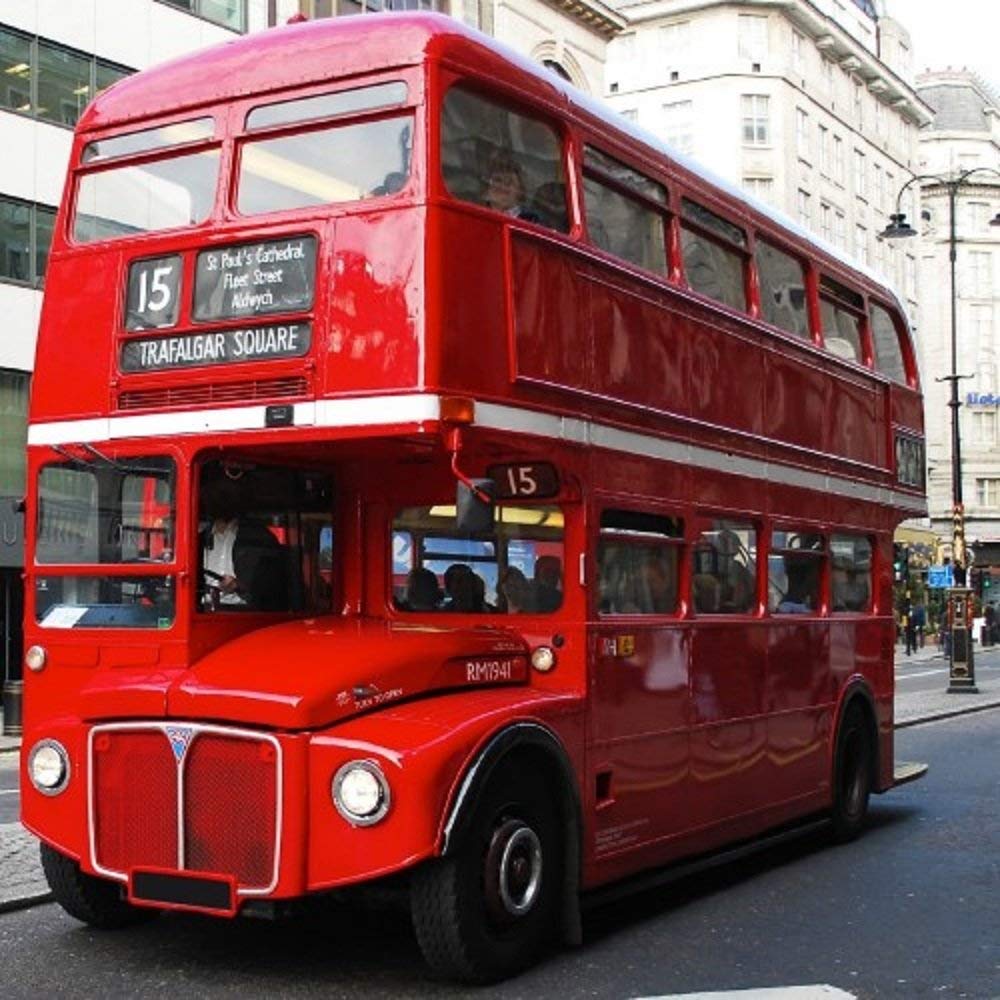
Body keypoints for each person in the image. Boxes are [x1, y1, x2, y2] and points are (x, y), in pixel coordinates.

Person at [201, 474, 287, 612]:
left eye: (223, 495)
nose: (215, 501)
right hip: (202, 609)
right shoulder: (199, 537)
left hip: (243, 611)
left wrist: (239, 585)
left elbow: (274, 583)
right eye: (211, 496)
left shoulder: (259, 536)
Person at [482, 154, 539, 222]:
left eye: (509, 182)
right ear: (488, 187)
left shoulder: (532, 221)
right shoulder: (477, 214)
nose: (502, 186)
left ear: (520, 191)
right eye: (498, 180)